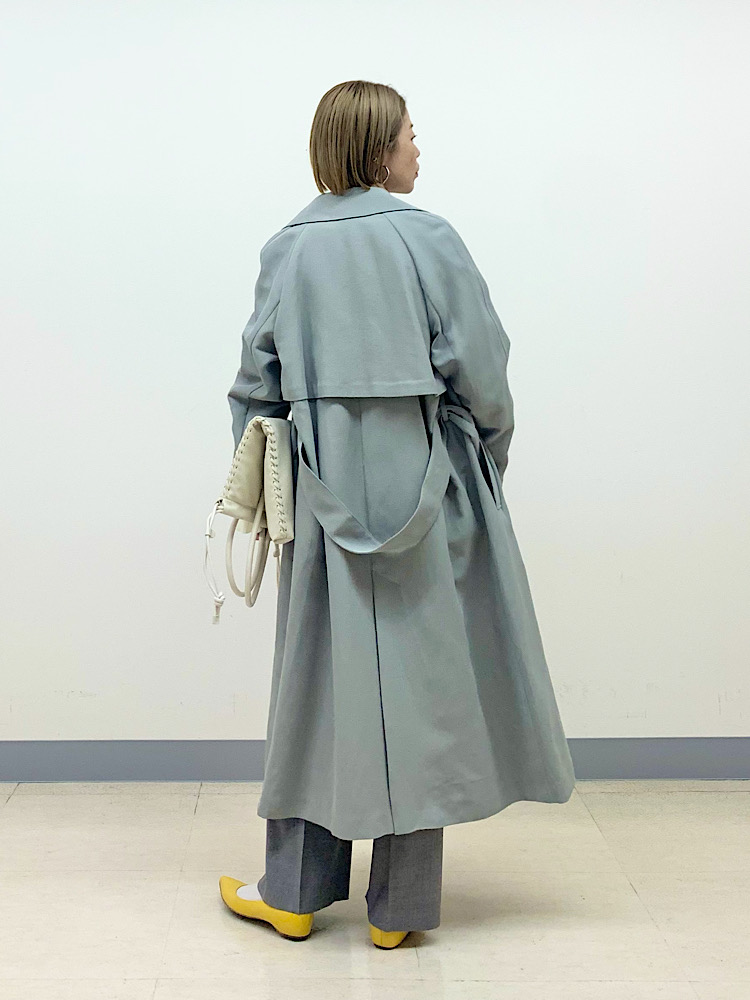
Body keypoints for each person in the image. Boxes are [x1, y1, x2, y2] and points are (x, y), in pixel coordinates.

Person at [218, 80, 576, 949]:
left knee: (316, 688)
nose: (421, 148)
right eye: (412, 134)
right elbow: (484, 371)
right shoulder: (428, 238)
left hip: (321, 494)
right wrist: (483, 467)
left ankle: (294, 893)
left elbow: (255, 389)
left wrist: (282, 480)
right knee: (421, 691)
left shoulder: (287, 249)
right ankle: (398, 913)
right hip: (427, 481)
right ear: (380, 148)